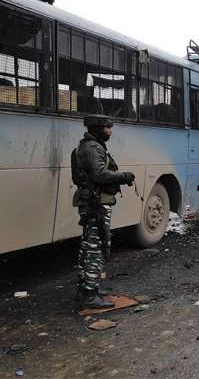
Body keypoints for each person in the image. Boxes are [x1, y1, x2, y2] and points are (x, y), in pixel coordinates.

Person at [71, 115, 135, 308]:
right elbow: (99, 174)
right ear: (98, 128)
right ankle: (89, 295)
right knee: (95, 248)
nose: (110, 131)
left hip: (92, 202)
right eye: (107, 128)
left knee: (89, 246)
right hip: (96, 203)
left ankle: (87, 289)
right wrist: (124, 176)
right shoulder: (92, 148)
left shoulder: (91, 146)